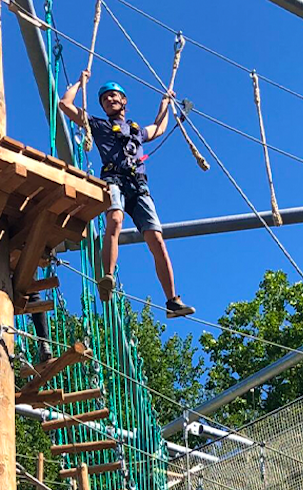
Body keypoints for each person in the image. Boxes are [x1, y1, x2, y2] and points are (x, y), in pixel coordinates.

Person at [59, 71, 195, 318]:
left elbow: (159, 128)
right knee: (115, 220)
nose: (109, 100)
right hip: (113, 180)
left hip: (138, 185)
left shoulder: (136, 131)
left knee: (157, 239)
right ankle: (108, 277)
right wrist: (80, 83)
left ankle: (172, 301)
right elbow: (65, 105)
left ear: (124, 101)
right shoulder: (98, 125)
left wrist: (165, 104)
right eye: (104, 99)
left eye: (113, 96)